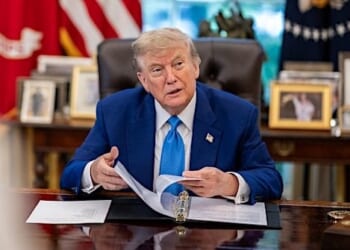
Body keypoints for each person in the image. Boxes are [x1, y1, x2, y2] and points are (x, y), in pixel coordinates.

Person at [60, 27, 283, 204]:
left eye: (178, 64)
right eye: (157, 70)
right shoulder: (115, 111)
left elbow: (270, 179)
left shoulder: (237, 114)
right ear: (144, 80)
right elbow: (71, 172)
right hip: (137, 233)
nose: (171, 78)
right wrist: (94, 172)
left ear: (195, 67)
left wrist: (229, 183)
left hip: (209, 235)